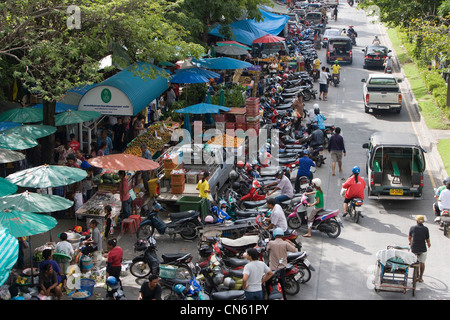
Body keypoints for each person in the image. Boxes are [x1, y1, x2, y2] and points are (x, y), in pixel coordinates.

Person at [266, 228, 298, 300]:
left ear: (274, 235)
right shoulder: (285, 243)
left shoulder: (271, 243)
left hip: (273, 268)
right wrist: (290, 242)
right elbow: (295, 250)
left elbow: (266, 249)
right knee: (282, 284)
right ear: (282, 235)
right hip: (282, 268)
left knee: (268, 283)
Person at [408, 215, 430, 283]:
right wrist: (429, 244)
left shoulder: (412, 228)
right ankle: (420, 277)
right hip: (423, 249)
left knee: (413, 260)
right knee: (422, 262)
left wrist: (410, 242)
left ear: (416, 221)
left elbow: (409, 237)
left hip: (414, 248)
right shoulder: (426, 229)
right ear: (423, 221)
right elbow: (427, 240)